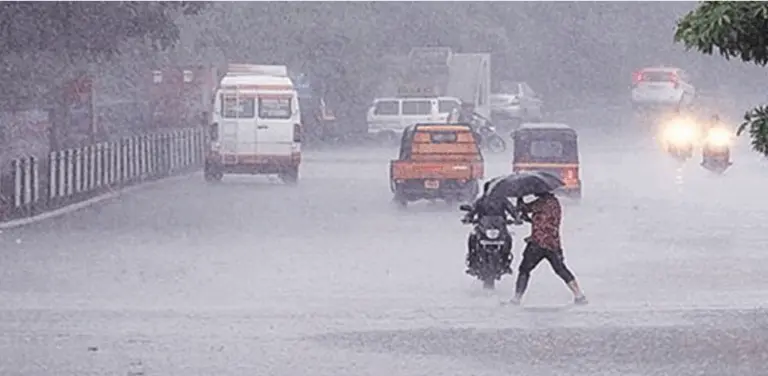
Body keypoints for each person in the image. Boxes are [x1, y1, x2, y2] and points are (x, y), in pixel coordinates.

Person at [509, 191, 588, 305]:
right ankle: (579, 295)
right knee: (561, 270)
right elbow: (541, 220)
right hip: (553, 243)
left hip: (538, 243)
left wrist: (520, 199)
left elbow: (525, 208)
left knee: (524, 269)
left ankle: (516, 299)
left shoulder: (541, 203)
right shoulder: (555, 203)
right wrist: (529, 218)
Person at [461, 181, 522, 274]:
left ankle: (506, 262)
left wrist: (517, 218)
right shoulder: (481, 200)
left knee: (508, 239)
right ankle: (472, 262)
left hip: (499, 228)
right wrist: (468, 218)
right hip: (483, 228)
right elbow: (472, 210)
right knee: (472, 238)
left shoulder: (503, 200)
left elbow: (512, 209)